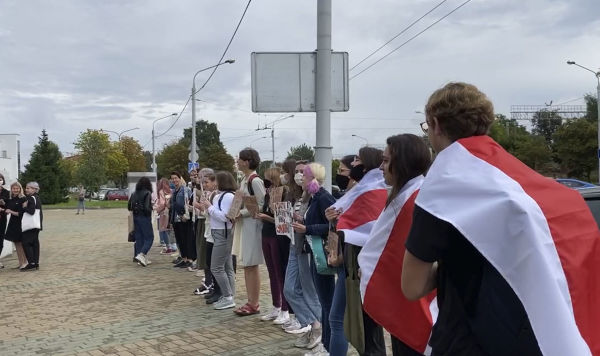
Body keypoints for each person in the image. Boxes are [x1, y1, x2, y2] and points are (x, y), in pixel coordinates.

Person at [402, 82, 600, 355]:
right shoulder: (516, 182)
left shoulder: (443, 183)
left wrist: (452, 262)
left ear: (435, 124)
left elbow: (412, 286)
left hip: (465, 339)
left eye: (426, 128)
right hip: (526, 337)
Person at [357, 134, 433, 356]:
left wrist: (373, 271)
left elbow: (397, 253)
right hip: (402, 300)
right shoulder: (404, 195)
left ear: (403, 163)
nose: (381, 167)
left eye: (386, 161)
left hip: (412, 304)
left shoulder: (414, 199)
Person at [326, 147, 388, 356]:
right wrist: (336, 219)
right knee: (355, 322)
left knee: (362, 324)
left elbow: (369, 231)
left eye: (357, 160)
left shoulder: (373, 192)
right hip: (352, 264)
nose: (354, 164)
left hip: (359, 267)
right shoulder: (362, 191)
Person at [292, 163, 336, 356]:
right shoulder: (313, 197)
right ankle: (325, 343)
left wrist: (307, 229)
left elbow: (332, 225)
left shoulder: (324, 197)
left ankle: (326, 345)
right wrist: (302, 221)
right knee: (323, 299)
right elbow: (315, 220)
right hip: (313, 250)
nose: (301, 178)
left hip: (322, 252)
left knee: (326, 301)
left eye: (305, 175)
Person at [199, 171, 238, 310]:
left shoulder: (227, 196)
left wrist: (209, 207)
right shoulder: (220, 196)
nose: (214, 183)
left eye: (216, 180)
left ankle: (228, 296)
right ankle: (229, 294)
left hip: (223, 233)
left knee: (216, 267)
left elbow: (225, 216)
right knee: (226, 267)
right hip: (218, 232)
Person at [233, 148, 266, 316]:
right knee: (247, 264)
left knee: (251, 264)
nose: (237, 161)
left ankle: (254, 302)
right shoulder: (245, 179)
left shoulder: (255, 181)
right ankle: (251, 300)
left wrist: (243, 213)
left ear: (247, 161)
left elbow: (262, 204)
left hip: (253, 226)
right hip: (246, 225)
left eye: (240, 159)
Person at [257, 167, 291, 324]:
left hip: (278, 236)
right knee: (271, 272)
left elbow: (283, 220)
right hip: (266, 233)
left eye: (269, 180)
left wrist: (267, 217)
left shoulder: (283, 193)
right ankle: (276, 306)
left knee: (279, 271)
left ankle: (285, 308)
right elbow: (266, 212)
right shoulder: (267, 194)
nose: (267, 184)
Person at [170, 171, 195, 268]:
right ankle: (184, 258)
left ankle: (189, 259)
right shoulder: (174, 191)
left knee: (186, 239)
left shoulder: (185, 190)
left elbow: (189, 202)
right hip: (176, 219)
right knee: (180, 240)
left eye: (176, 178)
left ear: (180, 178)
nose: (174, 180)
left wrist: (185, 214)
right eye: (172, 178)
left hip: (184, 218)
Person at [128, 177, 153, 267]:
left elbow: (129, 206)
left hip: (136, 217)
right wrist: (151, 208)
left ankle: (140, 257)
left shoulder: (134, 193)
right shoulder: (147, 193)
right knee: (149, 238)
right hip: (145, 217)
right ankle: (142, 254)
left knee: (139, 238)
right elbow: (147, 207)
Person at [3, 181, 27, 268]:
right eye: (14, 188)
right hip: (13, 223)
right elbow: (7, 209)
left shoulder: (23, 199)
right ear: (11, 189)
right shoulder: (10, 199)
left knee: (21, 244)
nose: (15, 190)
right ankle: (20, 263)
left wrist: (11, 211)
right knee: (16, 243)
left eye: (17, 188)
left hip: (20, 223)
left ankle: (25, 262)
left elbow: (21, 213)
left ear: (20, 189)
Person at [20, 182, 43, 271]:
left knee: (26, 243)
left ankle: (31, 263)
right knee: (35, 243)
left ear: (34, 189)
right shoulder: (37, 197)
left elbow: (31, 211)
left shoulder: (30, 198)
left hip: (31, 225)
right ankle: (35, 263)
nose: (26, 189)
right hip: (36, 224)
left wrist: (24, 207)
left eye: (28, 188)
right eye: (26, 188)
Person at [154, 178, 174, 254]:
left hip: (163, 213)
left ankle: (167, 247)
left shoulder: (161, 191)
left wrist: (157, 210)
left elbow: (162, 203)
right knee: (169, 230)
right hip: (170, 212)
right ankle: (172, 246)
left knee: (163, 230)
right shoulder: (170, 191)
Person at [0, 173, 9, 267]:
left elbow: (8, 205)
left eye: (1, 179)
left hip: (2, 219)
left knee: (0, 239)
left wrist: (3, 206)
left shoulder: (6, 192)